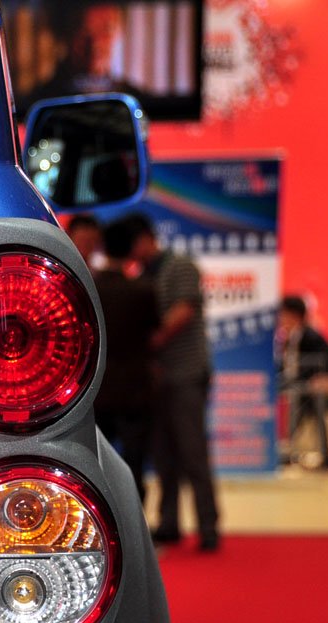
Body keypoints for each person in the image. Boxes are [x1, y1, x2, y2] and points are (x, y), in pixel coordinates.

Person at [114, 214, 221, 551]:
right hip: (156, 379)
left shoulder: (180, 266)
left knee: (192, 453)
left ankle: (208, 527)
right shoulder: (141, 275)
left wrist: (151, 341)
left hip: (186, 373)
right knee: (163, 456)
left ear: (146, 238)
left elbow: (184, 311)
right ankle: (169, 523)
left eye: (133, 244)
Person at [93, 219, 160, 503]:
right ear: (131, 248)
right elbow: (154, 335)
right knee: (135, 464)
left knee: (97, 467)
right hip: (135, 389)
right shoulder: (143, 290)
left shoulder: (91, 287)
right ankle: (137, 521)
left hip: (97, 391)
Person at [277, 295, 328, 469]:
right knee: (297, 403)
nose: (280, 318)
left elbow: (325, 364)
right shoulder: (292, 336)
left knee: (305, 404)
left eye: (283, 314)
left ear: (293, 315)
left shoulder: (311, 336)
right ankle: (290, 450)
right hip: (307, 387)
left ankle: (321, 455)